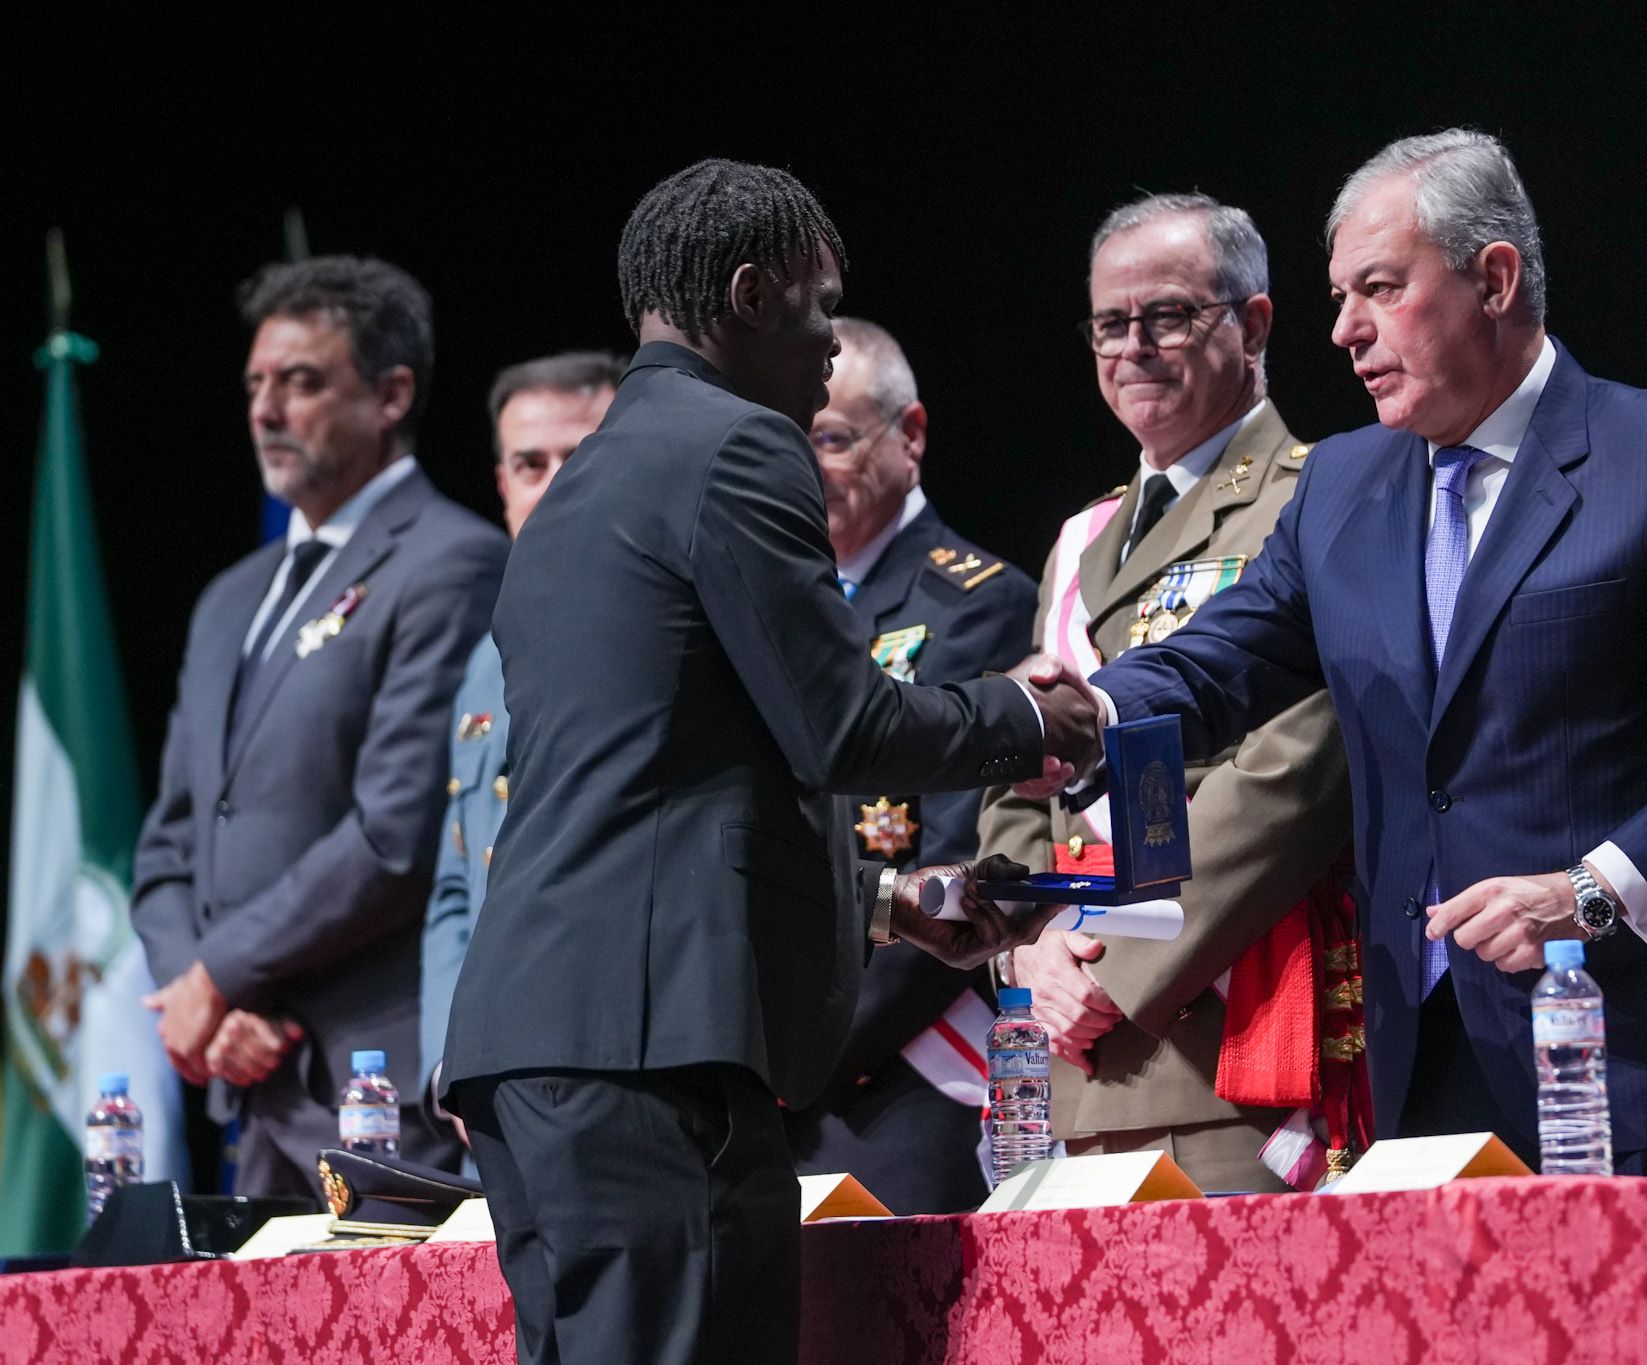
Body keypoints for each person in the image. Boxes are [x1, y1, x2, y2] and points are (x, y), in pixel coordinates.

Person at [438, 159, 1097, 1365]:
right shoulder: (736, 449)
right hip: (653, 1057)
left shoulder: (579, 487)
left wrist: (884, 903)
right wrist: (1017, 713)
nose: (828, 355)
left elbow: (660, 787)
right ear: (747, 295)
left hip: (533, 1049)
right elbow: (839, 729)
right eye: (814, 311)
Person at [1074, 132, 1647, 1173]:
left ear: (1492, 277)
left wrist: (1591, 888)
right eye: (1339, 294)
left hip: (1621, 1051)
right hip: (1416, 1059)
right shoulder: (1343, 486)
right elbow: (1212, 663)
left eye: (1380, 289)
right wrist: (1072, 719)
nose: (1344, 330)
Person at [977, 193, 1358, 1192]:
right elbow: (1020, 776)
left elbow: (1297, 763)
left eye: (1171, 315)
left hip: (1231, 1037)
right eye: (1111, 322)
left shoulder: (1321, 495)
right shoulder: (1080, 540)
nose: (1134, 346)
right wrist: (1027, 947)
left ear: (1256, 324)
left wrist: (1114, 961)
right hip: (1073, 1051)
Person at [130, 256, 506, 1197]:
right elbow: (173, 840)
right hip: (250, 1081)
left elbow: (397, 832)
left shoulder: (452, 563)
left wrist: (217, 974)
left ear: (391, 395)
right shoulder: (229, 599)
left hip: (377, 1082)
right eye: (257, 383)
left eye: (300, 382)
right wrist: (201, 999)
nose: (266, 409)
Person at [784, 318, 1037, 1214]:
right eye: (786, 436)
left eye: (832, 437)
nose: (804, 463)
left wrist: (805, 1055)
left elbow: (967, 866)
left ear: (912, 436)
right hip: (775, 1069)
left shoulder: (978, 603)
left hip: (900, 1070)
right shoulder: (768, 607)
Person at [417, 351, 623, 1156]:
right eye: (529, 464)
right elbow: (452, 893)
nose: (552, 483)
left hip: (613, 1070)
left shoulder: (677, 632)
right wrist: (452, 1058)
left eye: (580, 457)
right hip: (498, 1085)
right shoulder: (485, 659)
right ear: (501, 484)